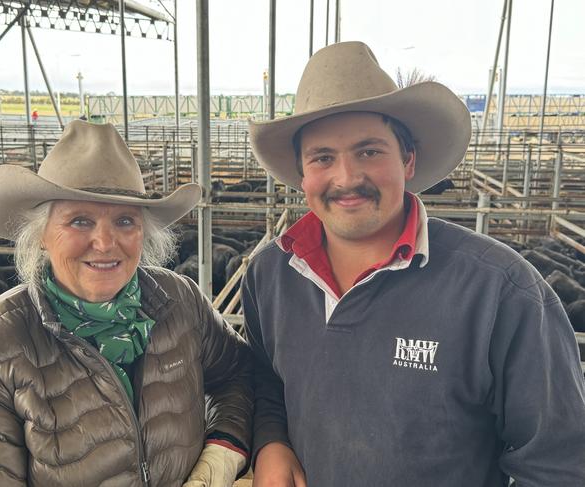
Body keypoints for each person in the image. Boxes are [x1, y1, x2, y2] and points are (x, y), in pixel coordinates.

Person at [243, 41, 585, 486]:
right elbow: (265, 380)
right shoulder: (270, 275)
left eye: (369, 151)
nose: (346, 177)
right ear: (302, 173)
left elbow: (559, 463)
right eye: (323, 157)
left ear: (408, 159)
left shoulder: (501, 292)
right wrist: (271, 440)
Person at [0, 120, 253, 487]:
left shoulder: (179, 301)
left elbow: (238, 373)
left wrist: (223, 451)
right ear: (41, 234)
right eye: (80, 221)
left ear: (143, 233)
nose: (104, 243)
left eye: (124, 221)